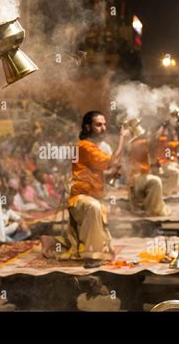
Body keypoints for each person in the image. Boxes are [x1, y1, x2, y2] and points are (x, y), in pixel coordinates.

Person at [40, 111, 128, 268]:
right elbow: (110, 162)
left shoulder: (93, 147)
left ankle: (53, 242)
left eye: (105, 124)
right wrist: (122, 138)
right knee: (93, 207)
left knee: (107, 248)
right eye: (98, 125)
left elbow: (99, 176)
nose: (103, 128)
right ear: (88, 127)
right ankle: (92, 257)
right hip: (80, 199)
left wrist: (110, 176)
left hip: (92, 197)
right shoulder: (84, 147)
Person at [127, 131, 171, 217]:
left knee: (159, 178)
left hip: (143, 175)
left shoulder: (142, 144)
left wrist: (155, 164)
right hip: (136, 177)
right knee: (156, 181)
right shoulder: (138, 143)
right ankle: (152, 210)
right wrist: (157, 134)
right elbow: (152, 142)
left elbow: (146, 162)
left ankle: (156, 202)